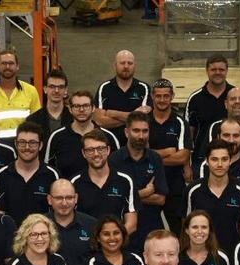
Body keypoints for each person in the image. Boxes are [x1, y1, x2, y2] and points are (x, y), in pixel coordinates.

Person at [111, 112, 168, 250]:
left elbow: (160, 199)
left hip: (151, 227)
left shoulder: (155, 159)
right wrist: (145, 192)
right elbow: (113, 198)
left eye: (145, 131)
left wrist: (128, 197)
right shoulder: (114, 160)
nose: (141, 136)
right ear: (126, 132)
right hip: (124, 229)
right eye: (136, 131)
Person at [186, 139, 240, 253]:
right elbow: (186, 224)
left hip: (232, 254)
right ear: (207, 161)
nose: (220, 164)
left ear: (230, 161)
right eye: (214, 159)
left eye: (224, 159)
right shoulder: (193, 190)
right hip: (201, 255)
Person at [147, 79, 193, 232]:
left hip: (174, 184)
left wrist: (152, 155)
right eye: (158, 96)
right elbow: (140, 154)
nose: (162, 100)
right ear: (152, 97)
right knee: (148, 231)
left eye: (166, 96)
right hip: (149, 184)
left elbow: (182, 157)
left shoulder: (180, 122)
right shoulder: (144, 121)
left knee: (178, 231)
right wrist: (168, 152)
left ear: (172, 96)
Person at [72, 131, 138, 234]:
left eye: (100, 149)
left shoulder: (125, 180)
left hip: (116, 244)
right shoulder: (74, 182)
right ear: (83, 153)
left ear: (108, 150)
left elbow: (132, 223)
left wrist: (112, 239)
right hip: (85, 244)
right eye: (90, 150)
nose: (96, 154)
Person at [0, 122, 59, 224]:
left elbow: (57, 212)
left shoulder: (52, 174)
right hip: (12, 237)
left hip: (42, 237)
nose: (27, 147)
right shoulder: (3, 174)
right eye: (22, 142)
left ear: (41, 145)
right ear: (16, 144)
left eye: (32, 142)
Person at [47, 89, 119, 180]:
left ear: (93, 108)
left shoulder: (108, 137)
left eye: (86, 106)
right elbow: (48, 170)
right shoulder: (56, 137)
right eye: (77, 106)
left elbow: (118, 168)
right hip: (67, 193)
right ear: (70, 109)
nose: (81, 110)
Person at [185, 54, 240, 151]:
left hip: (233, 156)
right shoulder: (195, 99)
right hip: (202, 156)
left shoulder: (238, 96)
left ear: (227, 71)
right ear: (207, 71)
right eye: (213, 70)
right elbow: (188, 132)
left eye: (221, 70)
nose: (217, 73)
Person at [0, 49, 40, 138]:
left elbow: (37, 123)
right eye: (3, 63)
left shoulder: (31, 91)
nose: (7, 66)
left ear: (17, 66)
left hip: (23, 147)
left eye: (11, 63)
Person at [95, 49, 150, 145]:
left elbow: (142, 120)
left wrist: (112, 113)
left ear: (135, 66)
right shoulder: (104, 88)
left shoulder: (143, 88)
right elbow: (99, 121)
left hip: (136, 145)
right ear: (115, 65)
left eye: (130, 63)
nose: (126, 66)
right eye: (122, 63)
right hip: (108, 145)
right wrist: (133, 115)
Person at [200, 118, 240, 195]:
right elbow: (203, 196)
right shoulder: (206, 165)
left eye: (236, 136)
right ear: (218, 136)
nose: (231, 140)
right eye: (226, 135)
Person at [26, 69, 73, 136]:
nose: (56, 90)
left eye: (61, 87)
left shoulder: (74, 118)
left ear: (66, 90)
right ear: (45, 89)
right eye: (52, 86)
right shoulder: (32, 120)